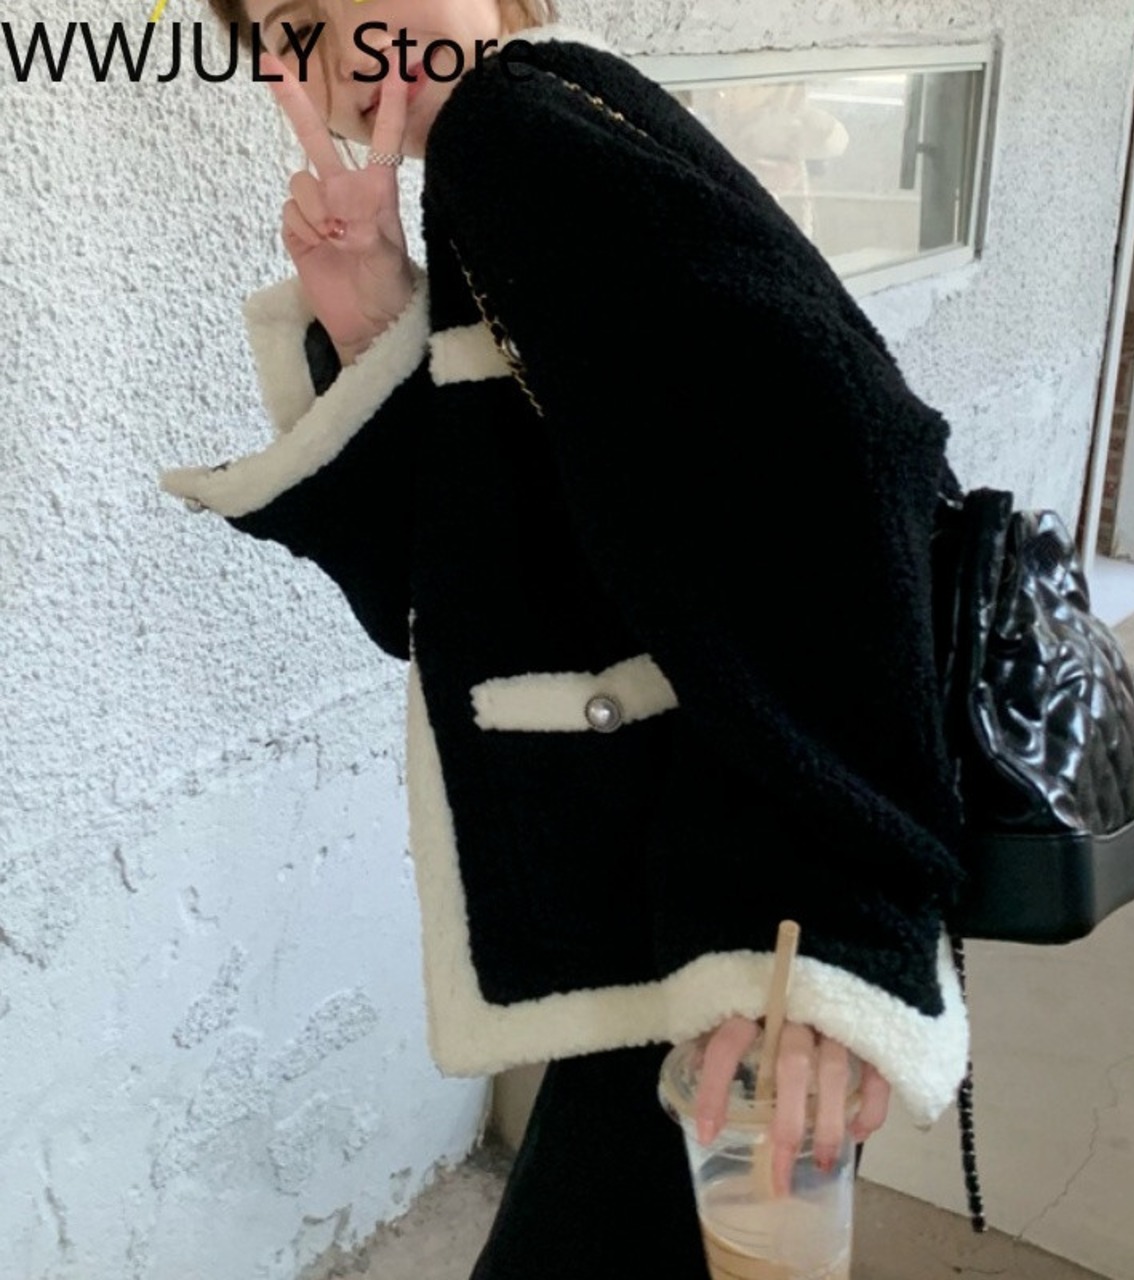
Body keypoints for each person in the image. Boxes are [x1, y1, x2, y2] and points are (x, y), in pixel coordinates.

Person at [160, 2, 972, 1273]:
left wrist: (828, 919)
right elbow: (471, 593)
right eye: (298, 21)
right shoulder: (520, 145)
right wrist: (374, 316)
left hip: (742, 928)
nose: (350, 34)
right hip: (682, 917)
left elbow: (840, 463)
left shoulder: (515, 137)